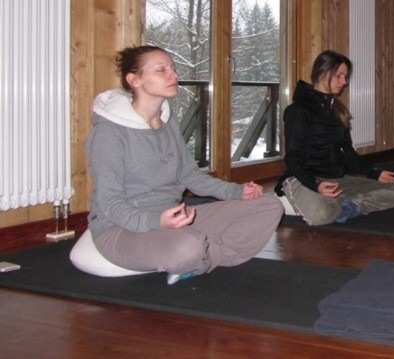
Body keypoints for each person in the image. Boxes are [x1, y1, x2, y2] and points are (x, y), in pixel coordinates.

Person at [85, 45, 283, 285]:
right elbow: (110, 202)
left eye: (173, 68)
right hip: (121, 229)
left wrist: (237, 191)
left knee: (269, 206)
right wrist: (156, 222)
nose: (174, 75)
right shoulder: (109, 133)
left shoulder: (167, 122)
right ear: (134, 80)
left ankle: (202, 257)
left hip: (175, 217)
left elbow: (190, 176)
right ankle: (199, 252)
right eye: (161, 70)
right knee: (187, 247)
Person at [276, 50, 394, 225]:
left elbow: (347, 151)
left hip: (334, 180)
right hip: (303, 180)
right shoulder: (298, 110)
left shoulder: (337, 110)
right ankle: (295, 201)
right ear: (322, 73)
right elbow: (293, 158)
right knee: (322, 213)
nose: (344, 82)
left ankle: (348, 206)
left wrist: (374, 173)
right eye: (339, 76)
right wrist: (315, 185)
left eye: (345, 76)